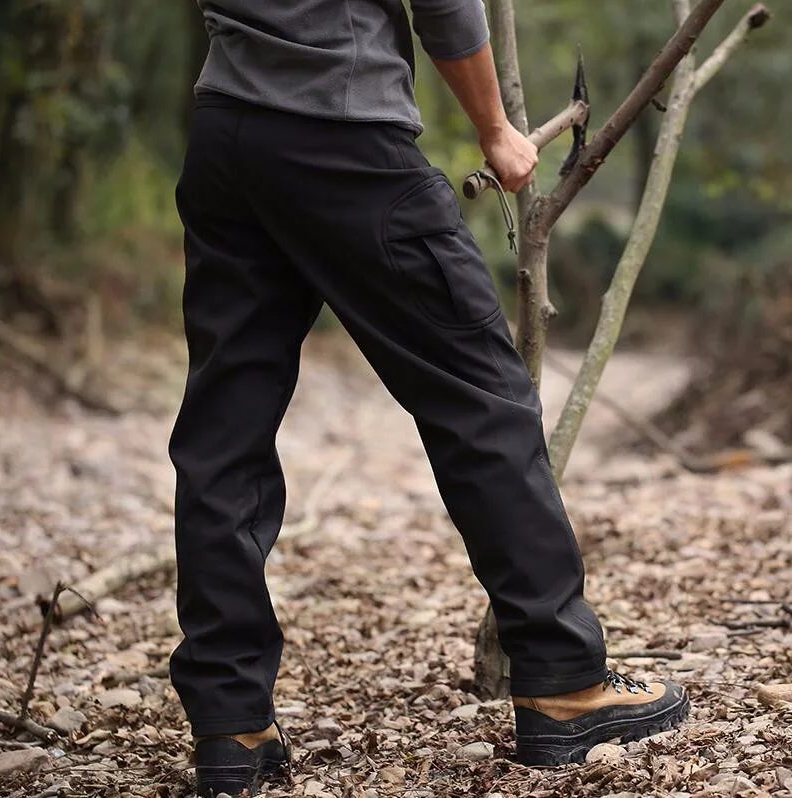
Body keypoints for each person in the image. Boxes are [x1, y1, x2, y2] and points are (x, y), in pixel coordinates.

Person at [169, 1, 690, 794]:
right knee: (482, 399)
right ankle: (560, 679)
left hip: (225, 133)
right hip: (343, 135)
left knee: (224, 429)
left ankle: (230, 724)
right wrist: (493, 128)